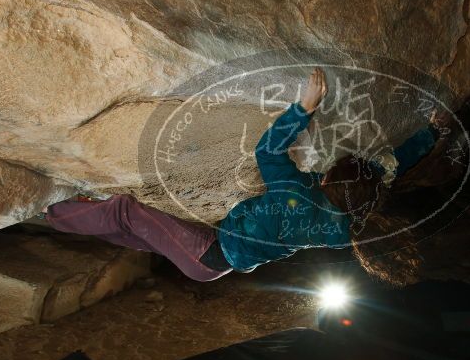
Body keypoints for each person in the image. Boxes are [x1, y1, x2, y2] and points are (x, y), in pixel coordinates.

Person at [46, 68, 446, 284]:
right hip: (223, 260)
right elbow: (391, 166)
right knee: (135, 234)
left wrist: (302, 109)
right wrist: (431, 133)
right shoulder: (350, 227)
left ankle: (52, 210)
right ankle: (79, 217)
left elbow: (266, 150)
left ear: (330, 182)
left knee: (126, 211)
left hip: (207, 254)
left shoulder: (297, 195)